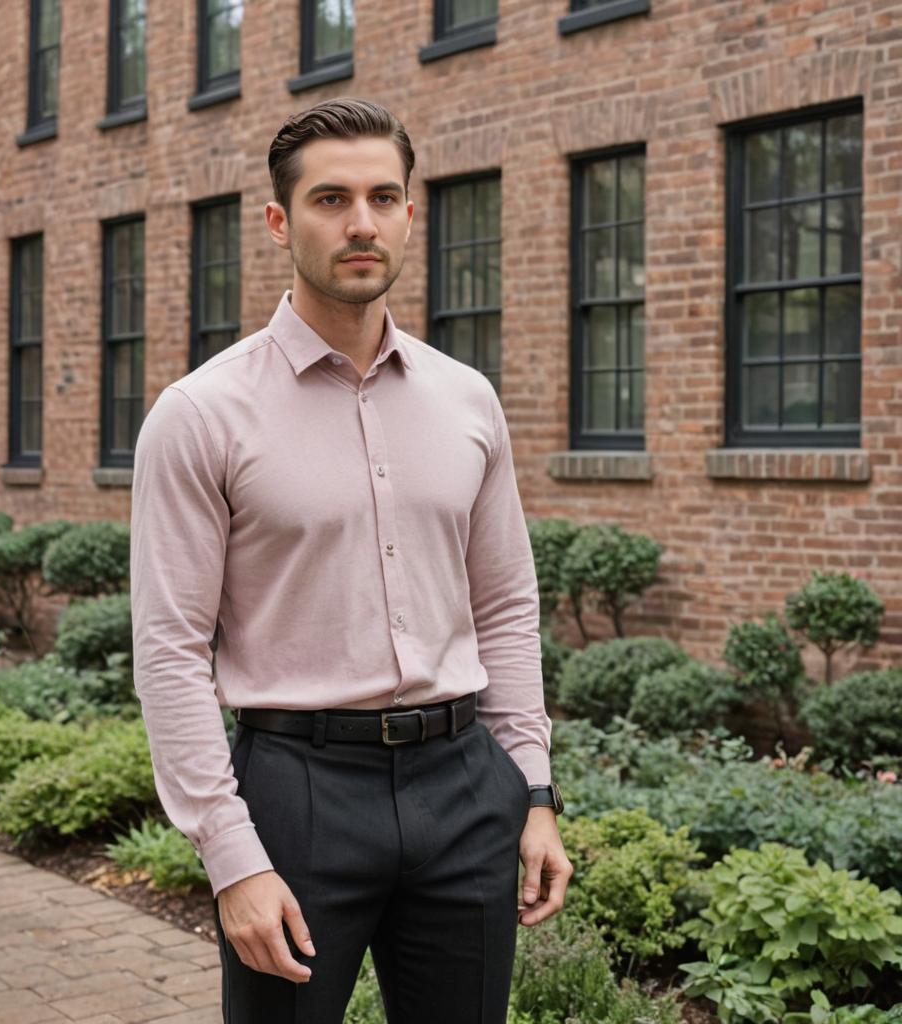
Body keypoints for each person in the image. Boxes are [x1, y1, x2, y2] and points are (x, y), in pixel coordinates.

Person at [129, 97, 572, 1024]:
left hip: (464, 784)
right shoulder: (201, 414)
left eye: (383, 196)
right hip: (298, 795)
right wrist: (232, 857)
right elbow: (170, 649)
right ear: (281, 222)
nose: (361, 222)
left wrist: (531, 790)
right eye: (331, 199)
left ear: (412, 212)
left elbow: (505, 605)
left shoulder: (468, 400)